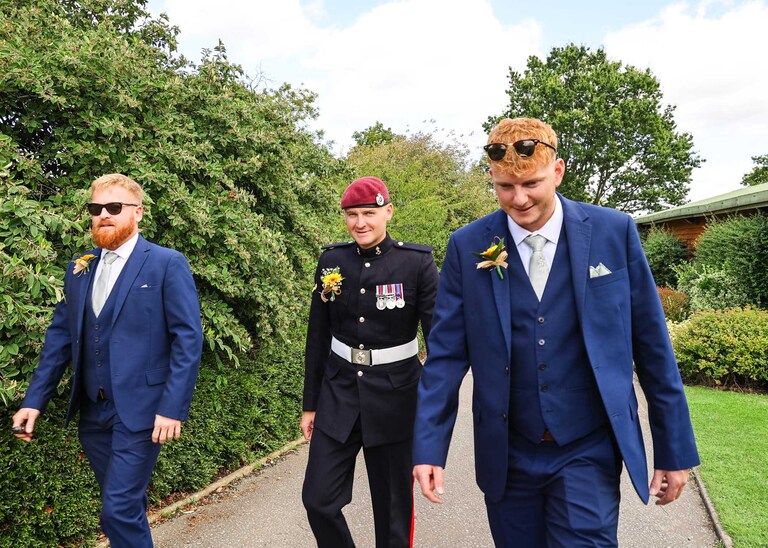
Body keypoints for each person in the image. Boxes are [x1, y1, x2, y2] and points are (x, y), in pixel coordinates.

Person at [412, 118, 700, 547]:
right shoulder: (467, 244)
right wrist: (429, 447)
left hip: (587, 447)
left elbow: (652, 345)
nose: (519, 198)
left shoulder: (613, 231)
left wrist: (674, 451)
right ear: (491, 177)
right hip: (507, 452)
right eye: (505, 186)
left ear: (559, 171)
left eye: (531, 183)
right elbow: (447, 355)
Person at [12, 173, 203, 548]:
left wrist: (172, 408)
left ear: (138, 213)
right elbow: (59, 340)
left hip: (143, 410)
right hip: (93, 412)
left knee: (117, 508)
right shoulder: (80, 268)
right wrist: (34, 401)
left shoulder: (165, 263)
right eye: (96, 208)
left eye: (114, 208)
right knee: (125, 504)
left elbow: (187, 338)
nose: (104, 215)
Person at [301, 176, 439, 548]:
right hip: (339, 395)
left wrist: (433, 416)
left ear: (388, 212)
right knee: (318, 501)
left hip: (397, 399)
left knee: (393, 514)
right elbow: (318, 337)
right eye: (351, 214)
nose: (360, 222)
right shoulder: (332, 260)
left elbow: (440, 345)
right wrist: (310, 404)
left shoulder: (417, 264)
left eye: (369, 213)